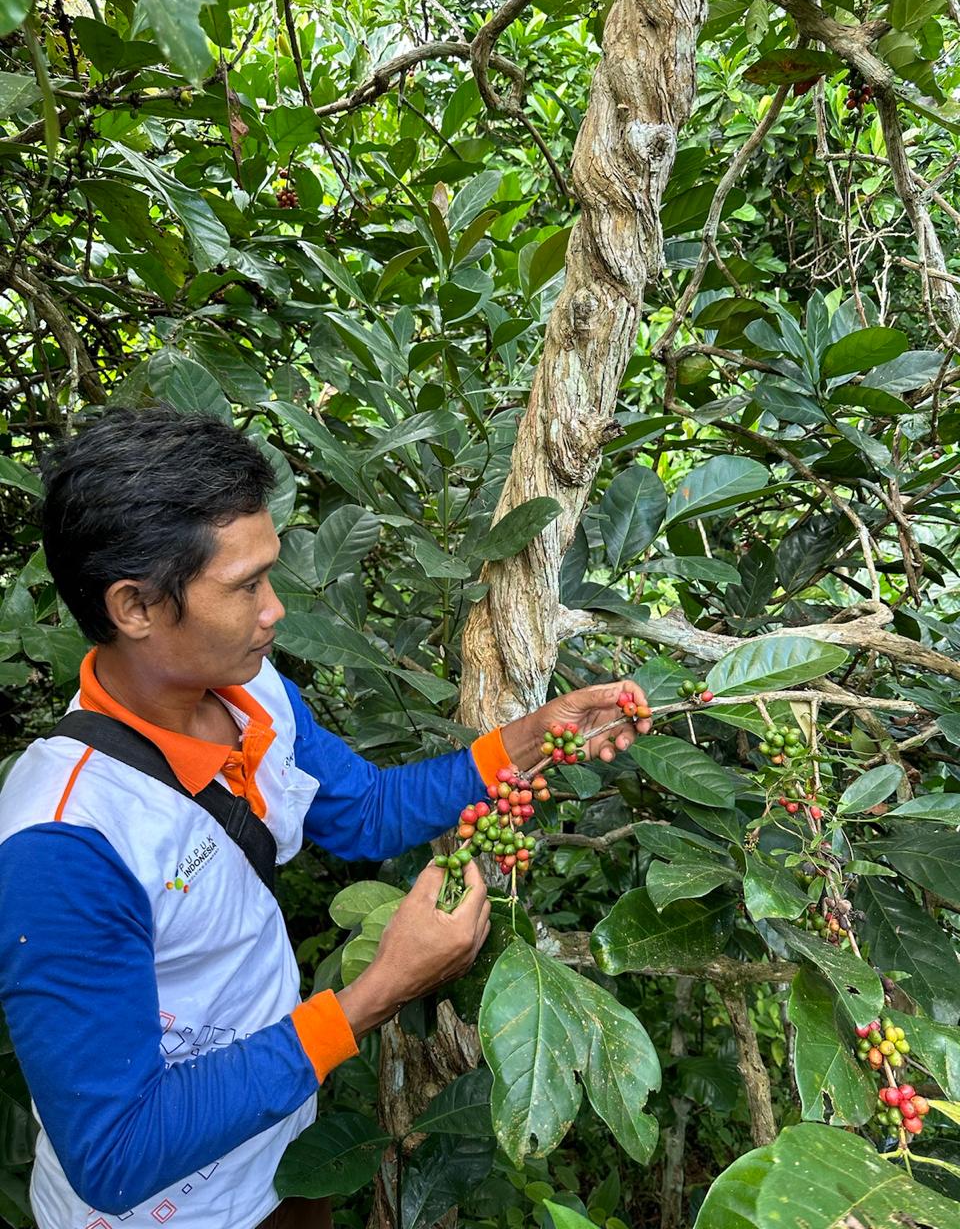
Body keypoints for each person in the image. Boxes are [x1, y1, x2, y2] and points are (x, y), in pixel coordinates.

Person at [0, 406, 651, 1229]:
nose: (274, 610)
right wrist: (378, 992)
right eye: (245, 587)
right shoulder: (65, 841)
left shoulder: (250, 696)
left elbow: (363, 813)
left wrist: (524, 740)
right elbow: (116, 1150)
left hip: (283, 1156)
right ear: (134, 607)